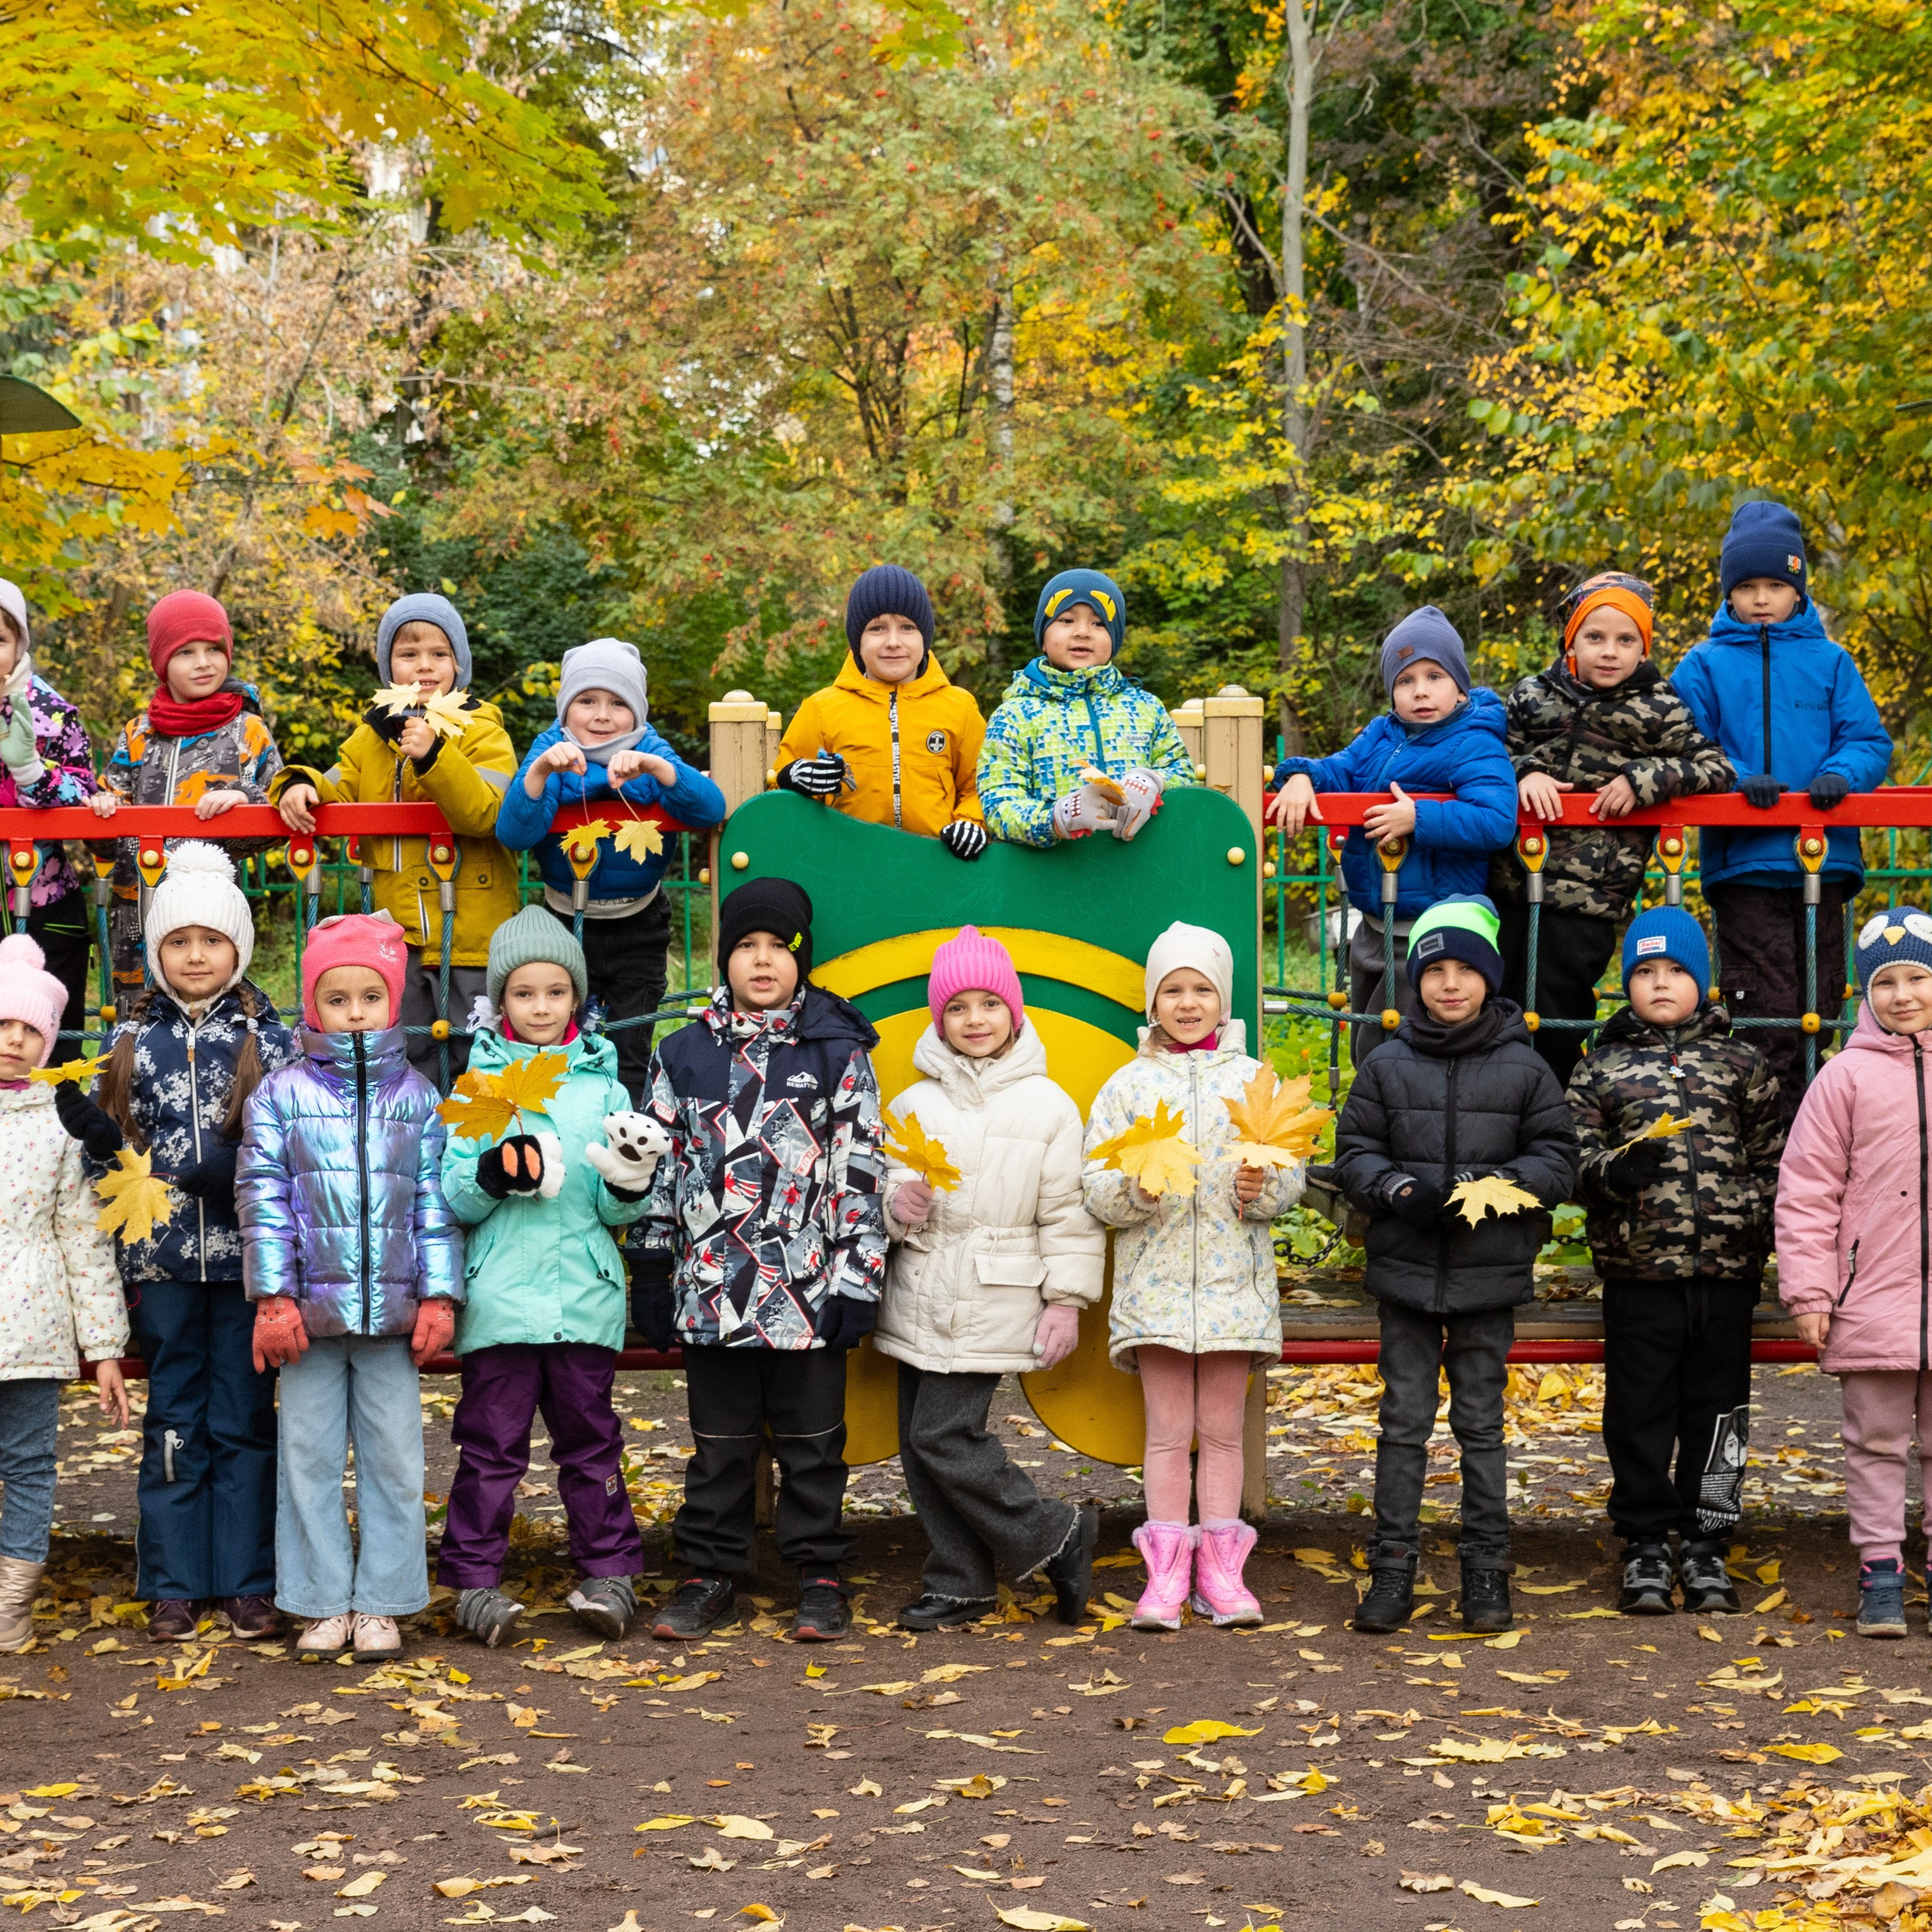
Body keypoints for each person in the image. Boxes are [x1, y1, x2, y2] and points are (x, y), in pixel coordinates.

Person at [52, 844, 297, 1641]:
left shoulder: (270, 1040)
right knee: (174, 1422)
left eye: (212, 941)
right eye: (179, 942)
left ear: (239, 948)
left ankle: (247, 1579)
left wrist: (238, 1167)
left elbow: (294, 1140)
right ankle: (172, 1578)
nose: (196, 956)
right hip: (160, 1267)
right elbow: (110, 1163)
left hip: (244, 1266)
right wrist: (95, 1139)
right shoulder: (131, 1043)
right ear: (157, 952)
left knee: (243, 1418)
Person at [635, 877, 884, 1642]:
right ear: (724, 959)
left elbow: (861, 1169)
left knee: (813, 1447)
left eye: (778, 945)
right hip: (713, 1290)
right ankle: (709, 1571)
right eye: (746, 945)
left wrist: (857, 1277)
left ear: (800, 956)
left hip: (808, 1291)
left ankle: (817, 1573)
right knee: (720, 1450)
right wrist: (650, 1264)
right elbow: (658, 1165)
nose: (763, 959)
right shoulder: (682, 1053)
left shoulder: (837, 1050)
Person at [1330, 895, 1577, 1635]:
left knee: (1480, 1424)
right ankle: (1392, 1570)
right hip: (1404, 1271)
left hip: (1487, 1271)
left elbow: (1556, 1158)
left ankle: (1485, 1572)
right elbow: (1355, 1151)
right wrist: (1396, 1187)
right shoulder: (1386, 1064)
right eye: (1433, 968)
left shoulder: (1523, 1068)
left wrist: (1495, 1191)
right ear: (1413, 980)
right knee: (1401, 1423)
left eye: (1463, 969)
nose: (1448, 983)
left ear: (1488, 979)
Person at [436, 907, 669, 1647]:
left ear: (578, 998)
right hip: (502, 1300)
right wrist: (494, 1171)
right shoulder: (479, 1084)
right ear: (501, 1001)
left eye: (556, 992)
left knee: (591, 1443)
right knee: (490, 1448)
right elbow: (454, 1192)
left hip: (583, 1296)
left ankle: (609, 1571)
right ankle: (474, 1580)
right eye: (524, 993)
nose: (540, 1007)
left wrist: (630, 1176)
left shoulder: (602, 1088)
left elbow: (612, 1205)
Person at [237, 912, 462, 1663]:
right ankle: (320, 1598)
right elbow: (262, 1198)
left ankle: (385, 1601)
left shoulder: (419, 1097)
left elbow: (435, 1202)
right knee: (306, 1456)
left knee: (395, 1457)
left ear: (394, 1002)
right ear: (312, 1004)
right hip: (306, 1316)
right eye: (338, 997)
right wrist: (273, 1298)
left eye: (371, 995)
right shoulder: (281, 1094)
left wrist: (439, 1295)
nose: (355, 1010)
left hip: (392, 1316)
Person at [875, 926, 1103, 1629]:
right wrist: (897, 1208)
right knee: (921, 1444)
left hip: (995, 1291)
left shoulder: (1048, 1105)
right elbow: (885, 1184)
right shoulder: (916, 1104)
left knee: (946, 1435)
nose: (975, 1020)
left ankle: (1055, 1532)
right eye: (958, 1008)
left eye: (989, 1004)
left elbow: (1068, 1215)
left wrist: (1065, 1302)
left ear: (1015, 1011)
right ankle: (961, 1579)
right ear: (938, 1019)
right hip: (918, 1289)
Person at [1081, 922, 1302, 1631]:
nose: (1186, 1002)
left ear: (1222, 999)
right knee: (1168, 1432)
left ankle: (1223, 1572)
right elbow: (1096, 1181)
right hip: (1157, 1287)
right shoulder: (1128, 1085)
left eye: (1201, 989)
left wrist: (1259, 1191)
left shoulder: (1253, 1081)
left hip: (1236, 1286)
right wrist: (1133, 1193)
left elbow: (1289, 1173)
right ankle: (1167, 1573)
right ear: (1152, 1002)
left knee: (1225, 1432)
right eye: (1171, 990)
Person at [1567, 906, 1781, 1617]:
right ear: (1626, 982)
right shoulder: (1602, 1065)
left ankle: (1708, 1541)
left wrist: (1753, 1217)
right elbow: (1573, 1160)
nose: (1661, 984)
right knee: (1639, 1411)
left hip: (1727, 1273)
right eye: (1646, 972)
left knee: (1718, 1413)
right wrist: (1616, 1172)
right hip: (1640, 1274)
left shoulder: (1741, 1063)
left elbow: (1775, 1160)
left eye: (1677, 971)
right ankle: (1645, 1543)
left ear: (1704, 980)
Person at [1670, 501, 1893, 1131]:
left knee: (1818, 1005)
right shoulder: (1706, 664)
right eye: (1747, 587)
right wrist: (1740, 778)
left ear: (1798, 590)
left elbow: (1868, 741)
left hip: (1822, 859)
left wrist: (1840, 776)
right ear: (1729, 594)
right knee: (1760, 1015)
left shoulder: (1830, 662)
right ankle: (1769, 1148)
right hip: (1745, 867)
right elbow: (1687, 741)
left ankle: (1822, 1138)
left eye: (1775, 585)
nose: (1762, 599)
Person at [1493, 574, 1734, 1087]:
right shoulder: (1533, 695)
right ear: (1571, 641)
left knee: (1559, 1015)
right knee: (1497, 1007)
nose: (1610, 652)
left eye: (1626, 640)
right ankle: (1495, 1121)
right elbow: (1491, 755)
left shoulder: (1658, 706)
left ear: (1643, 648)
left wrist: (1645, 777)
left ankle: (1555, 1118)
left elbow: (1715, 768)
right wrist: (1525, 772)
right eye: (1595, 637)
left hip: (1589, 897)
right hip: (1509, 883)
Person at [274, 592, 520, 1084]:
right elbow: (336, 784)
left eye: (438, 654)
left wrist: (436, 757)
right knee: (410, 1048)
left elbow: (486, 811)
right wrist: (298, 783)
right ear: (389, 667)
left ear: (458, 664)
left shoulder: (482, 727)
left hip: (472, 932)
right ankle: (417, 1149)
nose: (424, 667)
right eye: (408, 655)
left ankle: (474, 1155)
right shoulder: (372, 737)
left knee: (479, 1056)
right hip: (398, 934)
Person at [1776, 910, 1932, 1639]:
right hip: (1872, 1293)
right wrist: (1811, 1289)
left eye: (1918, 978)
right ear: (1866, 996)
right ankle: (1881, 1565)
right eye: (1887, 983)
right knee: (1875, 1438)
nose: (1903, 995)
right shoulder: (1845, 1077)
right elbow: (1808, 1189)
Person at [1271, 607, 1518, 1064]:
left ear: (1460, 687)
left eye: (1435, 676)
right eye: (1405, 681)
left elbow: (1496, 819)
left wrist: (1418, 818)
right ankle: (1372, 1115)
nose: (1420, 691)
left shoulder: (1475, 741)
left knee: (1416, 1043)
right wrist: (1301, 777)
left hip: (1435, 927)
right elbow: (1339, 769)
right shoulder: (1383, 735)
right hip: (1375, 920)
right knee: (1368, 1037)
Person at [495, 637, 728, 1101]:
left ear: (637, 714)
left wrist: (657, 769)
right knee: (559, 1037)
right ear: (566, 710)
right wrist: (540, 772)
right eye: (587, 701)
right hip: (565, 921)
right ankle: (564, 1124)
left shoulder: (652, 748)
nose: (602, 715)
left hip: (637, 924)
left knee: (630, 1042)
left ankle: (627, 1149)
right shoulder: (550, 749)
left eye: (618, 703)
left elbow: (710, 808)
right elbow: (515, 833)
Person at [0, 934, 127, 1652]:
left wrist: (104, 1348)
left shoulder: (59, 1123)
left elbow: (84, 1240)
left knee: (26, 1466)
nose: (14, 1041)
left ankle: (12, 1604)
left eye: (29, 1031)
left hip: (32, 1329)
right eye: (2, 1025)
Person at [89, 590, 284, 1001]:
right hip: (135, 909)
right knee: (136, 1020)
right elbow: (105, 826)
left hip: (206, 918)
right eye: (185, 652)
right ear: (162, 663)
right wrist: (103, 810)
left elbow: (283, 808)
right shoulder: (139, 733)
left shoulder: (247, 731)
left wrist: (245, 798)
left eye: (214, 649)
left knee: (210, 1016)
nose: (203, 663)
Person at [774, 565, 989, 858]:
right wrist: (791, 777)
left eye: (907, 628)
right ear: (857, 642)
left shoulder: (959, 707)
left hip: (938, 868)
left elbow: (981, 785)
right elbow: (778, 784)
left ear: (924, 638)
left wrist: (972, 823)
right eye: (877, 628)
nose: (893, 642)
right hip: (847, 864)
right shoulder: (822, 708)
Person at [976, 570, 1195, 848]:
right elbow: (998, 807)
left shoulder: (1145, 708)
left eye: (1099, 623)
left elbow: (1184, 776)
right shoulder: (1014, 716)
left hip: (1141, 872)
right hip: (1050, 878)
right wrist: (1057, 818)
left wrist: (1155, 781)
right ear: (1043, 638)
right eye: (1066, 620)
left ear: (1115, 639)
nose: (1082, 632)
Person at [0, 580, 100, 1040]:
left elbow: (84, 793)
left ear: (19, 643)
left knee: (48, 1036)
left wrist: (30, 773)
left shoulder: (50, 711)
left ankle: (54, 1111)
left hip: (44, 898)